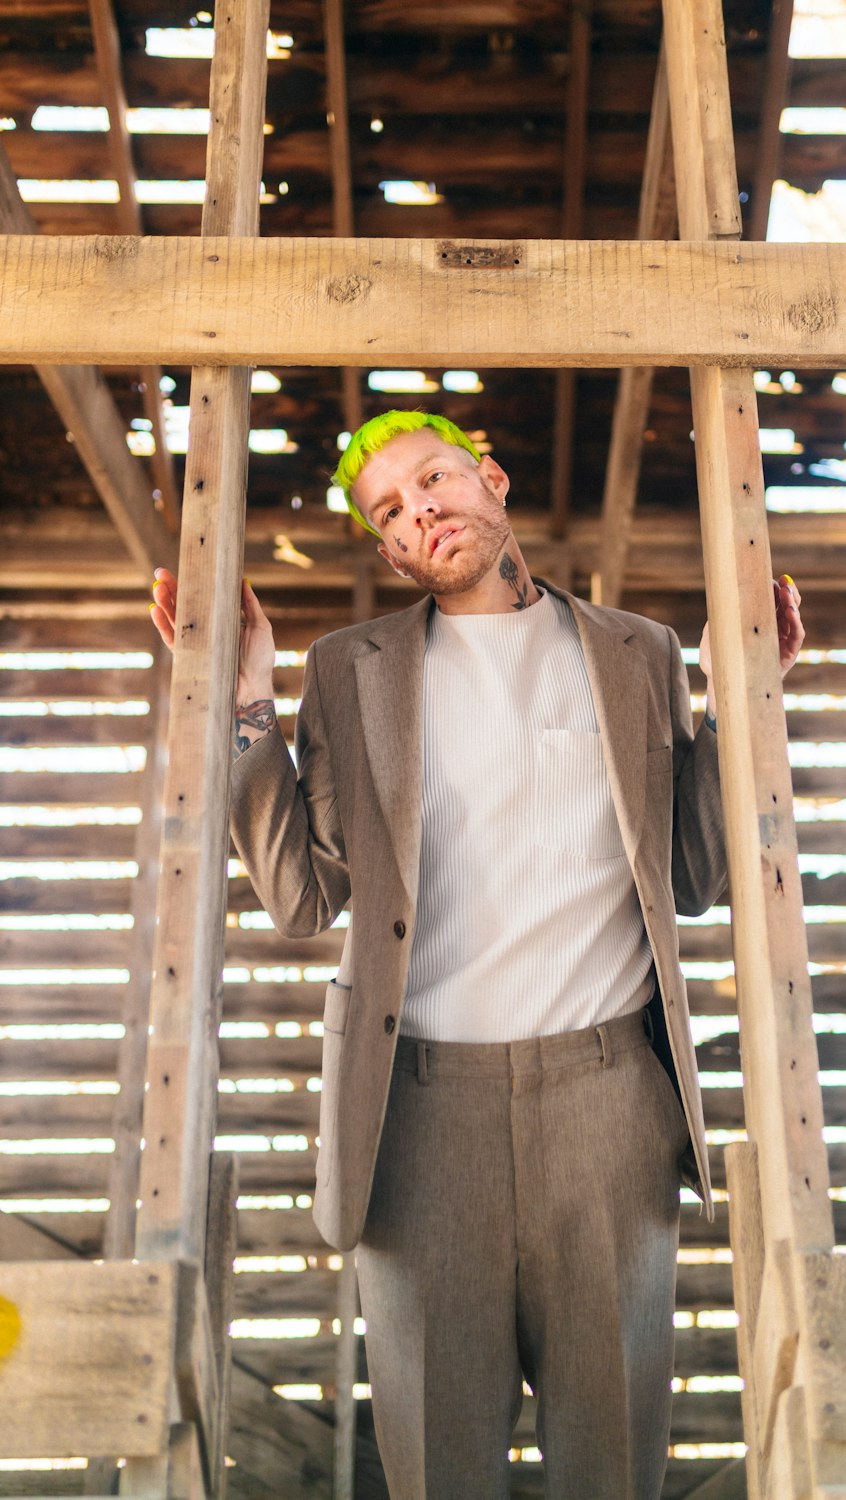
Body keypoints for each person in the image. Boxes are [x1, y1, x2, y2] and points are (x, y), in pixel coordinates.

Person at [151, 411, 804, 1500]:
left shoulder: (634, 650)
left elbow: (693, 872)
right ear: (389, 550)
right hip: (415, 1125)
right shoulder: (350, 672)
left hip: (607, 1108)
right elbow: (300, 896)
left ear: (489, 477)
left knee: (611, 1463)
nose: (423, 512)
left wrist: (754, 694)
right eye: (391, 512)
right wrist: (248, 696)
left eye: (435, 479)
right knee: (438, 1465)